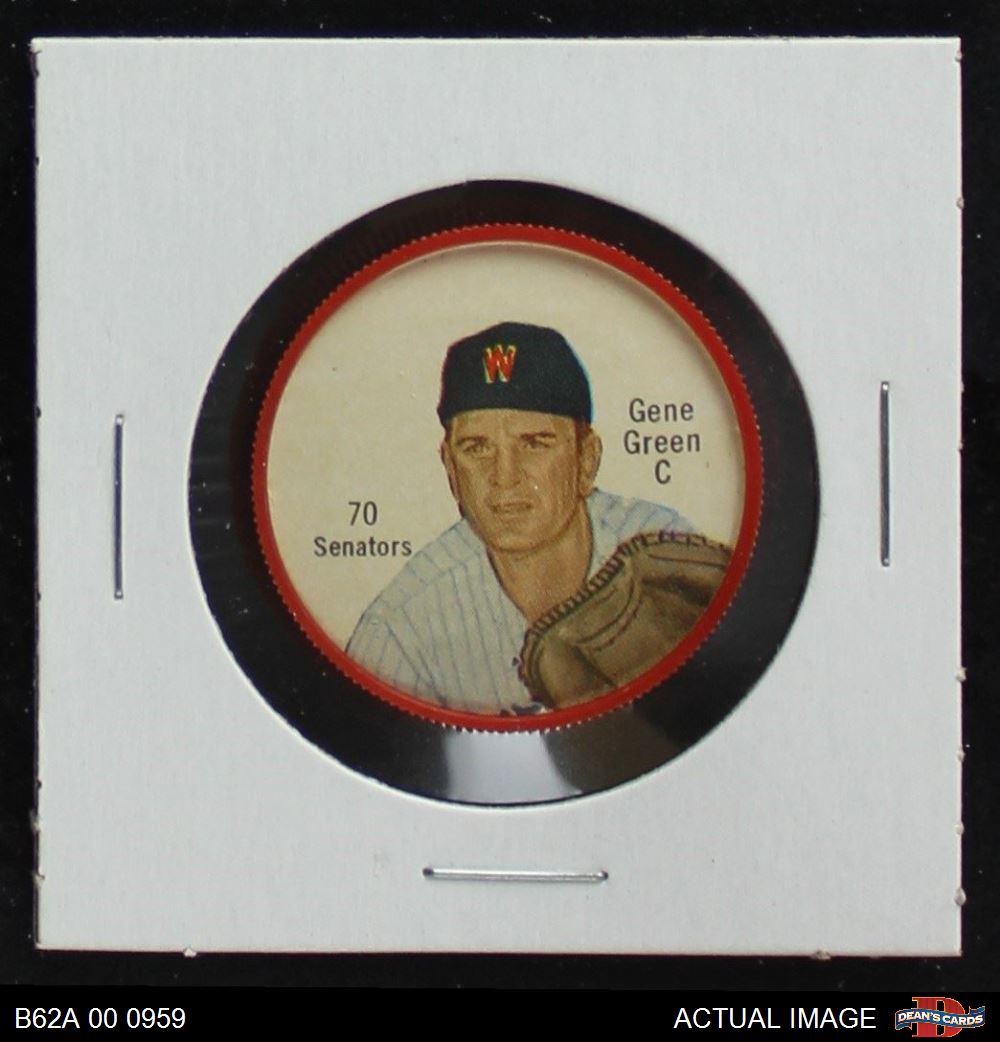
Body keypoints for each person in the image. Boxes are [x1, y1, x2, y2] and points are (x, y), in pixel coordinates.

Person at [347, 321, 700, 716]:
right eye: (477, 447)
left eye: (534, 444)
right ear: (451, 469)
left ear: (586, 460)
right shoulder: (400, 630)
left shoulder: (663, 552)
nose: (505, 476)